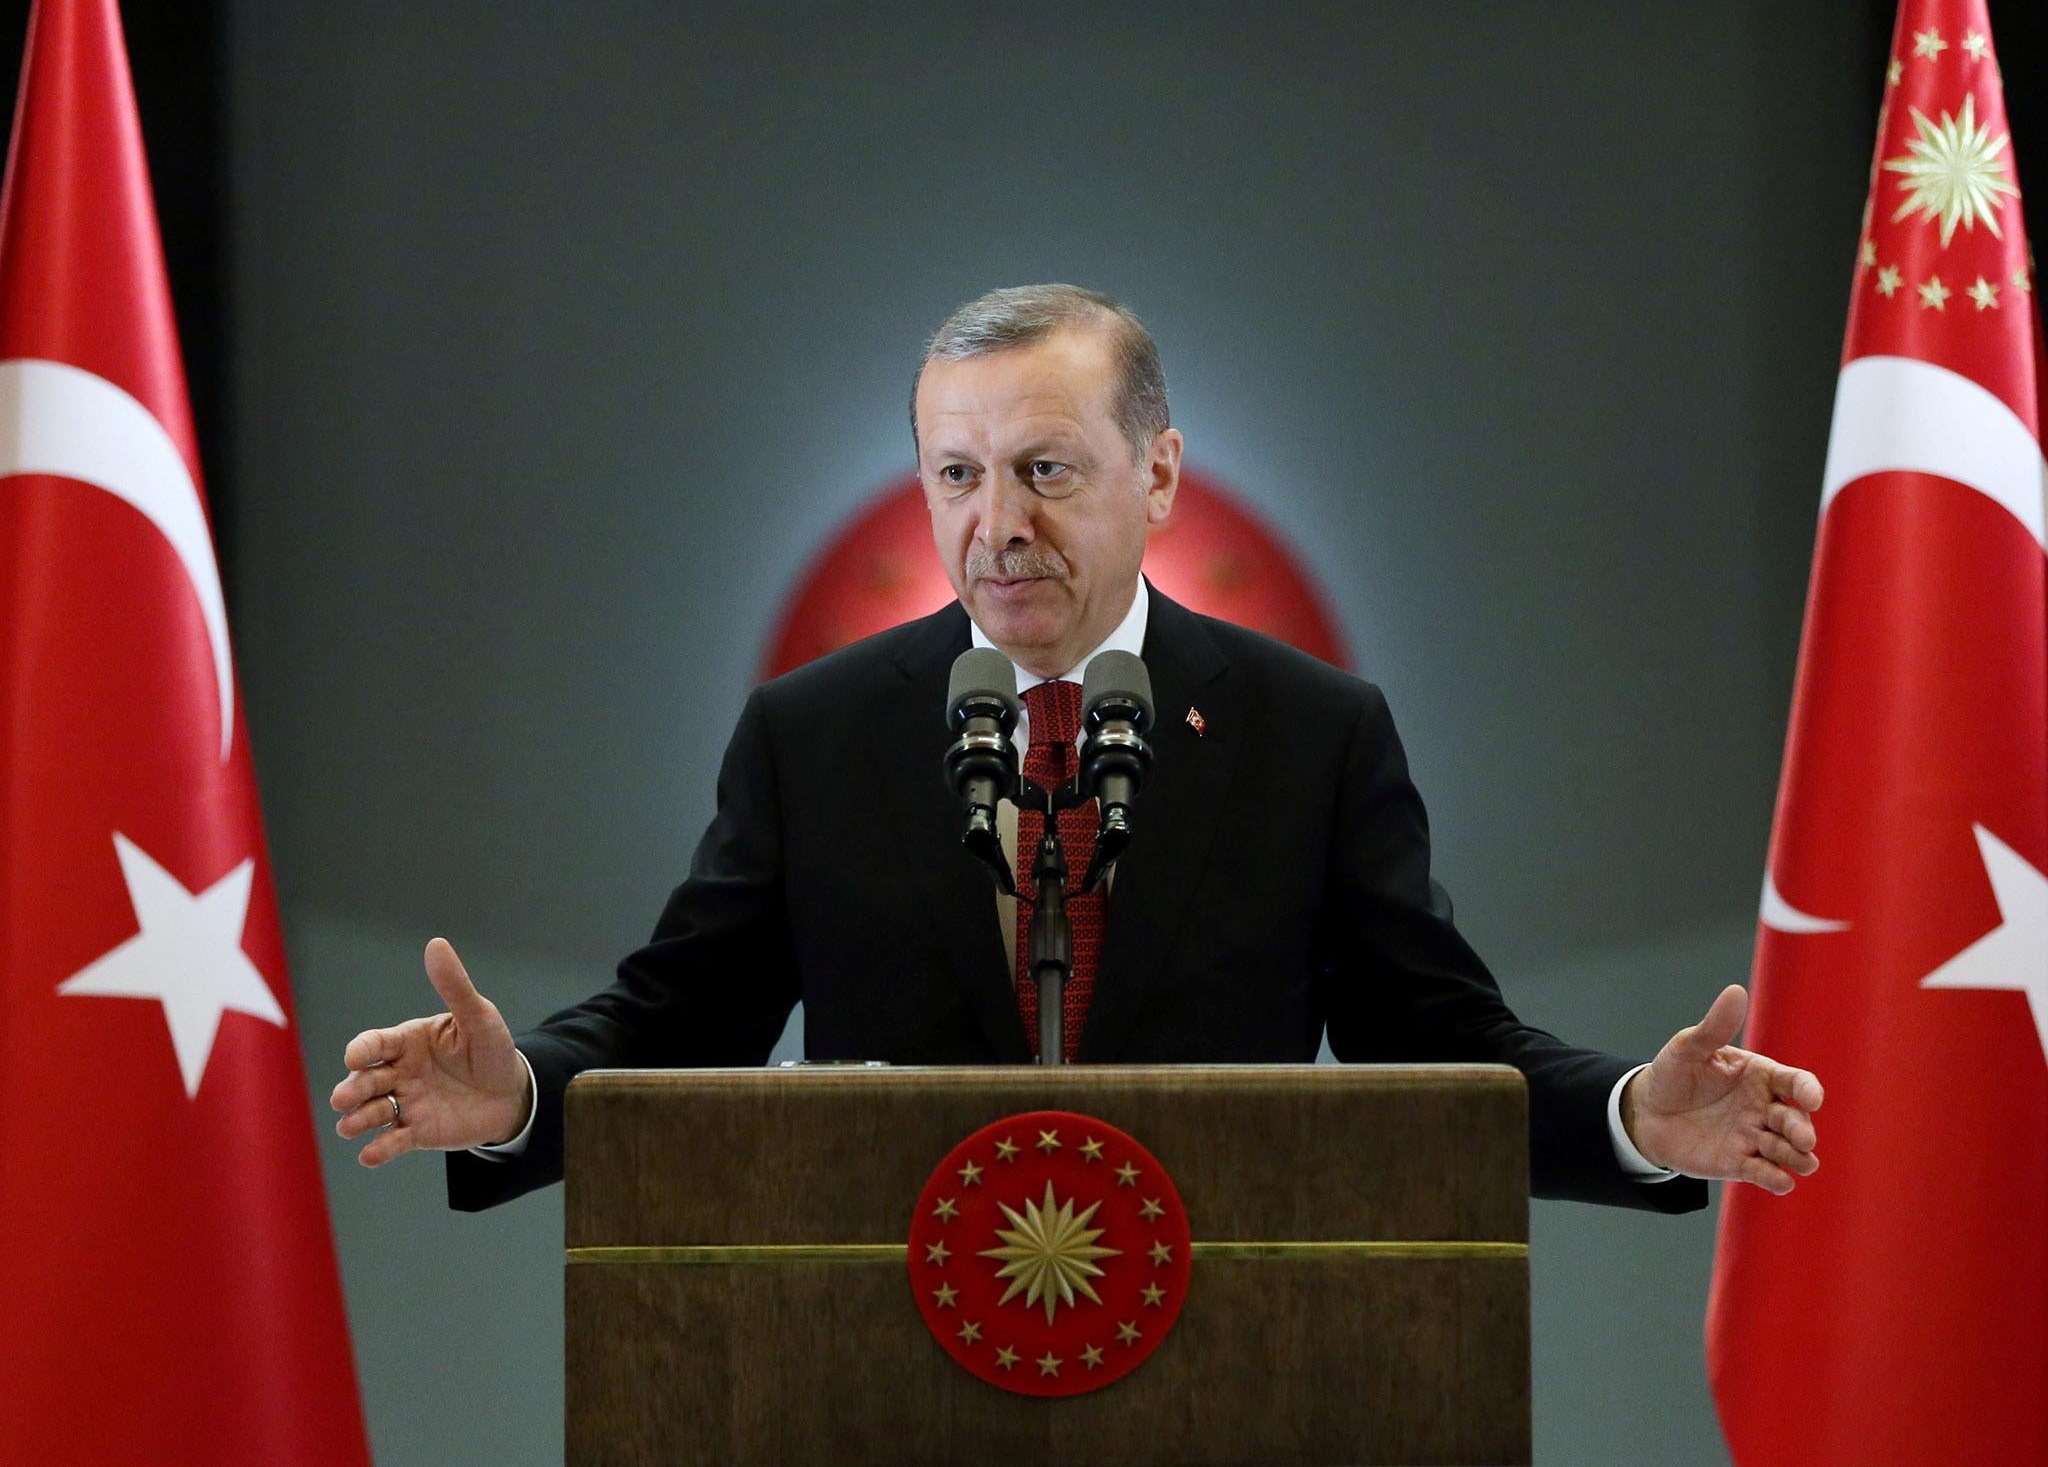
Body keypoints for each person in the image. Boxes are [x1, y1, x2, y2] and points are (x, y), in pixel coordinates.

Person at [330, 284, 1822, 1214]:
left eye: (1047, 470)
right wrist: (516, 1094)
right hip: (878, 1350)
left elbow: (1437, 1051)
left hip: (1229, 1354)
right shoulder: (820, 731)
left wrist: (1637, 1116)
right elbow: (682, 1019)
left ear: (1158, 475)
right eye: (958, 476)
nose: (999, 525)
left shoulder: (1311, 733)